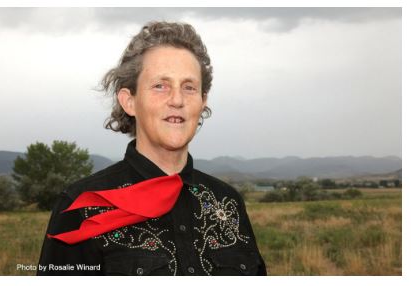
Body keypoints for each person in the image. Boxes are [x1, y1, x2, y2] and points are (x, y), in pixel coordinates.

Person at [37, 21, 266, 276]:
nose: (177, 100)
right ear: (129, 101)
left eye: (189, 87)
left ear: (202, 102)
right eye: (161, 86)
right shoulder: (81, 206)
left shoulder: (228, 202)